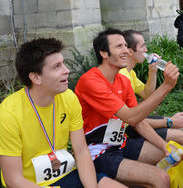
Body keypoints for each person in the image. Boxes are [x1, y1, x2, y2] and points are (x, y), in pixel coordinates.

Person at [0, 38, 126, 188]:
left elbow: (80, 151)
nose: (67, 70)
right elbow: (13, 180)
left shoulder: (69, 98)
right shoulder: (8, 114)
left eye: (63, 63)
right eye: (57, 66)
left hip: (64, 173)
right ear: (35, 77)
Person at [75, 28, 180, 188]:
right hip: (98, 150)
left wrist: (164, 146)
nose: (126, 51)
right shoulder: (90, 80)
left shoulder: (123, 80)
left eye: (126, 45)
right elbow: (131, 117)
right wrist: (166, 86)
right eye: (119, 46)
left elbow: (139, 121)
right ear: (103, 53)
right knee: (161, 178)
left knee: (180, 153)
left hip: (121, 143)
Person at [119, 29, 183, 146]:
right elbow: (134, 120)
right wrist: (169, 121)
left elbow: (147, 94)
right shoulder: (123, 76)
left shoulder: (130, 73)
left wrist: (153, 71)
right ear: (130, 51)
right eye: (143, 46)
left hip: (133, 121)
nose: (146, 50)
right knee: (180, 137)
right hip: (125, 129)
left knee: (178, 133)